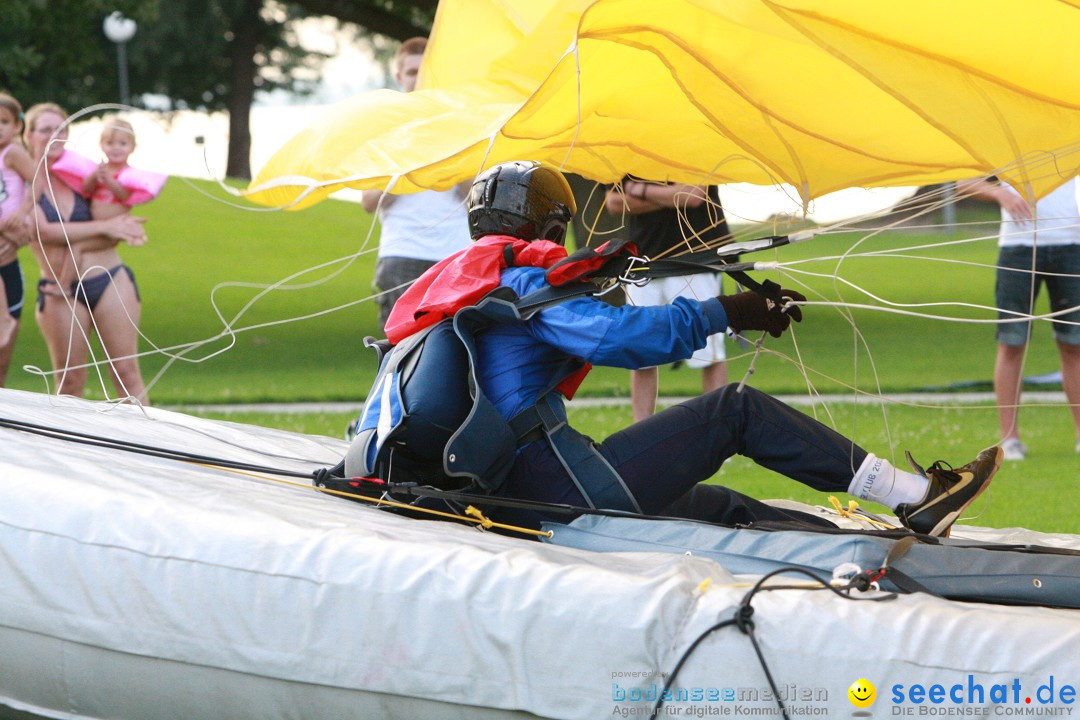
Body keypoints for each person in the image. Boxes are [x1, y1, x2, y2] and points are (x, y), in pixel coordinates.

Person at [382, 160, 1003, 538]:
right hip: (550, 489)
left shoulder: (456, 287)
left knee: (722, 506)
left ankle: (867, 544)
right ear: (551, 228)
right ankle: (917, 499)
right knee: (734, 409)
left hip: (497, 482)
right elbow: (621, 338)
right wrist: (728, 310)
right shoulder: (523, 283)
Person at [23, 103, 150, 403]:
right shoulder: (21, 180)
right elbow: (45, 232)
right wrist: (107, 226)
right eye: (45, 130)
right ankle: (63, 451)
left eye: (61, 130)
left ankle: (155, 449)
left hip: (110, 278)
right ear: (28, 134)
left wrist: (118, 225)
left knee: (127, 372)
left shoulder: (80, 174)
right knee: (70, 381)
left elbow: (118, 212)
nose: (55, 136)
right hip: (60, 290)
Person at [960, 176, 1080, 461]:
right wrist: (1001, 194)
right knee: (1012, 342)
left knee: (1074, 345)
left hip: (1072, 245)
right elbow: (965, 181)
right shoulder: (1007, 133)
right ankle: (1010, 440)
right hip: (1018, 247)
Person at [361, 36, 471, 329]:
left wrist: (444, 150)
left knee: (456, 346)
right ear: (399, 77)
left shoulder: (461, 126)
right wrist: (405, 157)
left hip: (455, 252)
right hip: (402, 253)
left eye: (425, 72)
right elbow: (369, 203)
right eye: (412, 73)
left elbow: (475, 196)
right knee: (398, 352)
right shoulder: (384, 129)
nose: (419, 80)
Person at [605, 178, 730, 421]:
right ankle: (640, 436)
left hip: (696, 260)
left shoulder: (694, 143)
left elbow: (693, 194)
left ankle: (718, 433)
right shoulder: (630, 149)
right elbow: (614, 202)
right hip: (643, 263)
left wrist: (640, 191)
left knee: (708, 353)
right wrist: (671, 195)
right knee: (640, 355)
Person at [0, 93, 36, 386]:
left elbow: (39, 181)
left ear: (16, 127)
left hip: (9, 242)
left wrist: (23, 210)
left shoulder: (12, 153)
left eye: (4, 122)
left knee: (2, 361)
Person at [81, 118, 165, 221]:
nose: (116, 148)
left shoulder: (129, 174)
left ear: (133, 147)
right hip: (94, 223)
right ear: (101, 145)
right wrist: (94, 176)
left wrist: (108, 179)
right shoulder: (98, 169)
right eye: (109, 143)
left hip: (117, 224)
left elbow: (124, 196)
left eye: (123, 144)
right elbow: (86, 190)